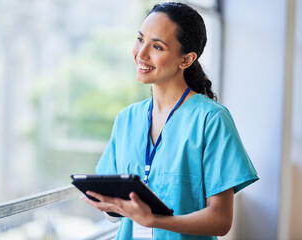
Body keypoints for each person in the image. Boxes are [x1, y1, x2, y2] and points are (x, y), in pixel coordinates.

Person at [81, 2, 259, 239]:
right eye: (140, 39)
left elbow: (221, 219)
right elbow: (113, 215)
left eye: (157, 46)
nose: (141, 54)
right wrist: (110, 205)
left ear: (186, 60)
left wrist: (155, 219)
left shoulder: (212, 120)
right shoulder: (126, 119)